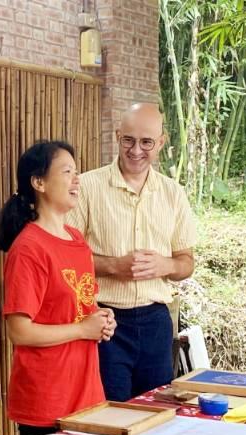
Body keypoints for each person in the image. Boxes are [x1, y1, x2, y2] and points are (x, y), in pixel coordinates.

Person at [68, 103, 196, 402]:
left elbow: (186, 263)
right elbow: (65, 260)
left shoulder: (173, 193)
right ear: (117, 136)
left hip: (156, 321)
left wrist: (165, 265)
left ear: (161, 143)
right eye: (128, 140)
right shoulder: (87, 186)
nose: (136, 150)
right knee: (108, 415)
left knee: (156, 414)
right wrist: (113, 266)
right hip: (104, 321)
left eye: (146, 142)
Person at [0, 140, 116, 435]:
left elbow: (78, 307)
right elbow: (20, 331)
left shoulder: (75, 238)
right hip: (48, 401)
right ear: (39, 183)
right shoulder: (29, 248)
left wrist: (101, 320)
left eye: (77, 171)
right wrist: (82, 329)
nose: (77, 180)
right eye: (67, 171)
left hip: (86, 394)